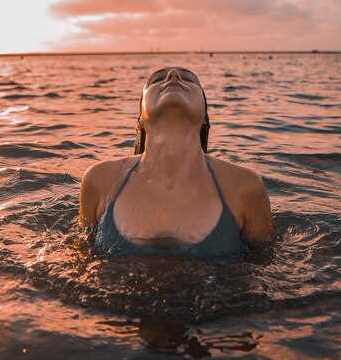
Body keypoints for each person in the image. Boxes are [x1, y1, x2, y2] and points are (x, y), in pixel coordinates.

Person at [79, 66, 272, 258]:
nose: (173, 76)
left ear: (205, 117)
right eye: (157, 80)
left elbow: (264, 269)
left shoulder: (246, 186)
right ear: (140, 120)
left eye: (189, 79)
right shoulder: (100, 180)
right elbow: (80, 261)